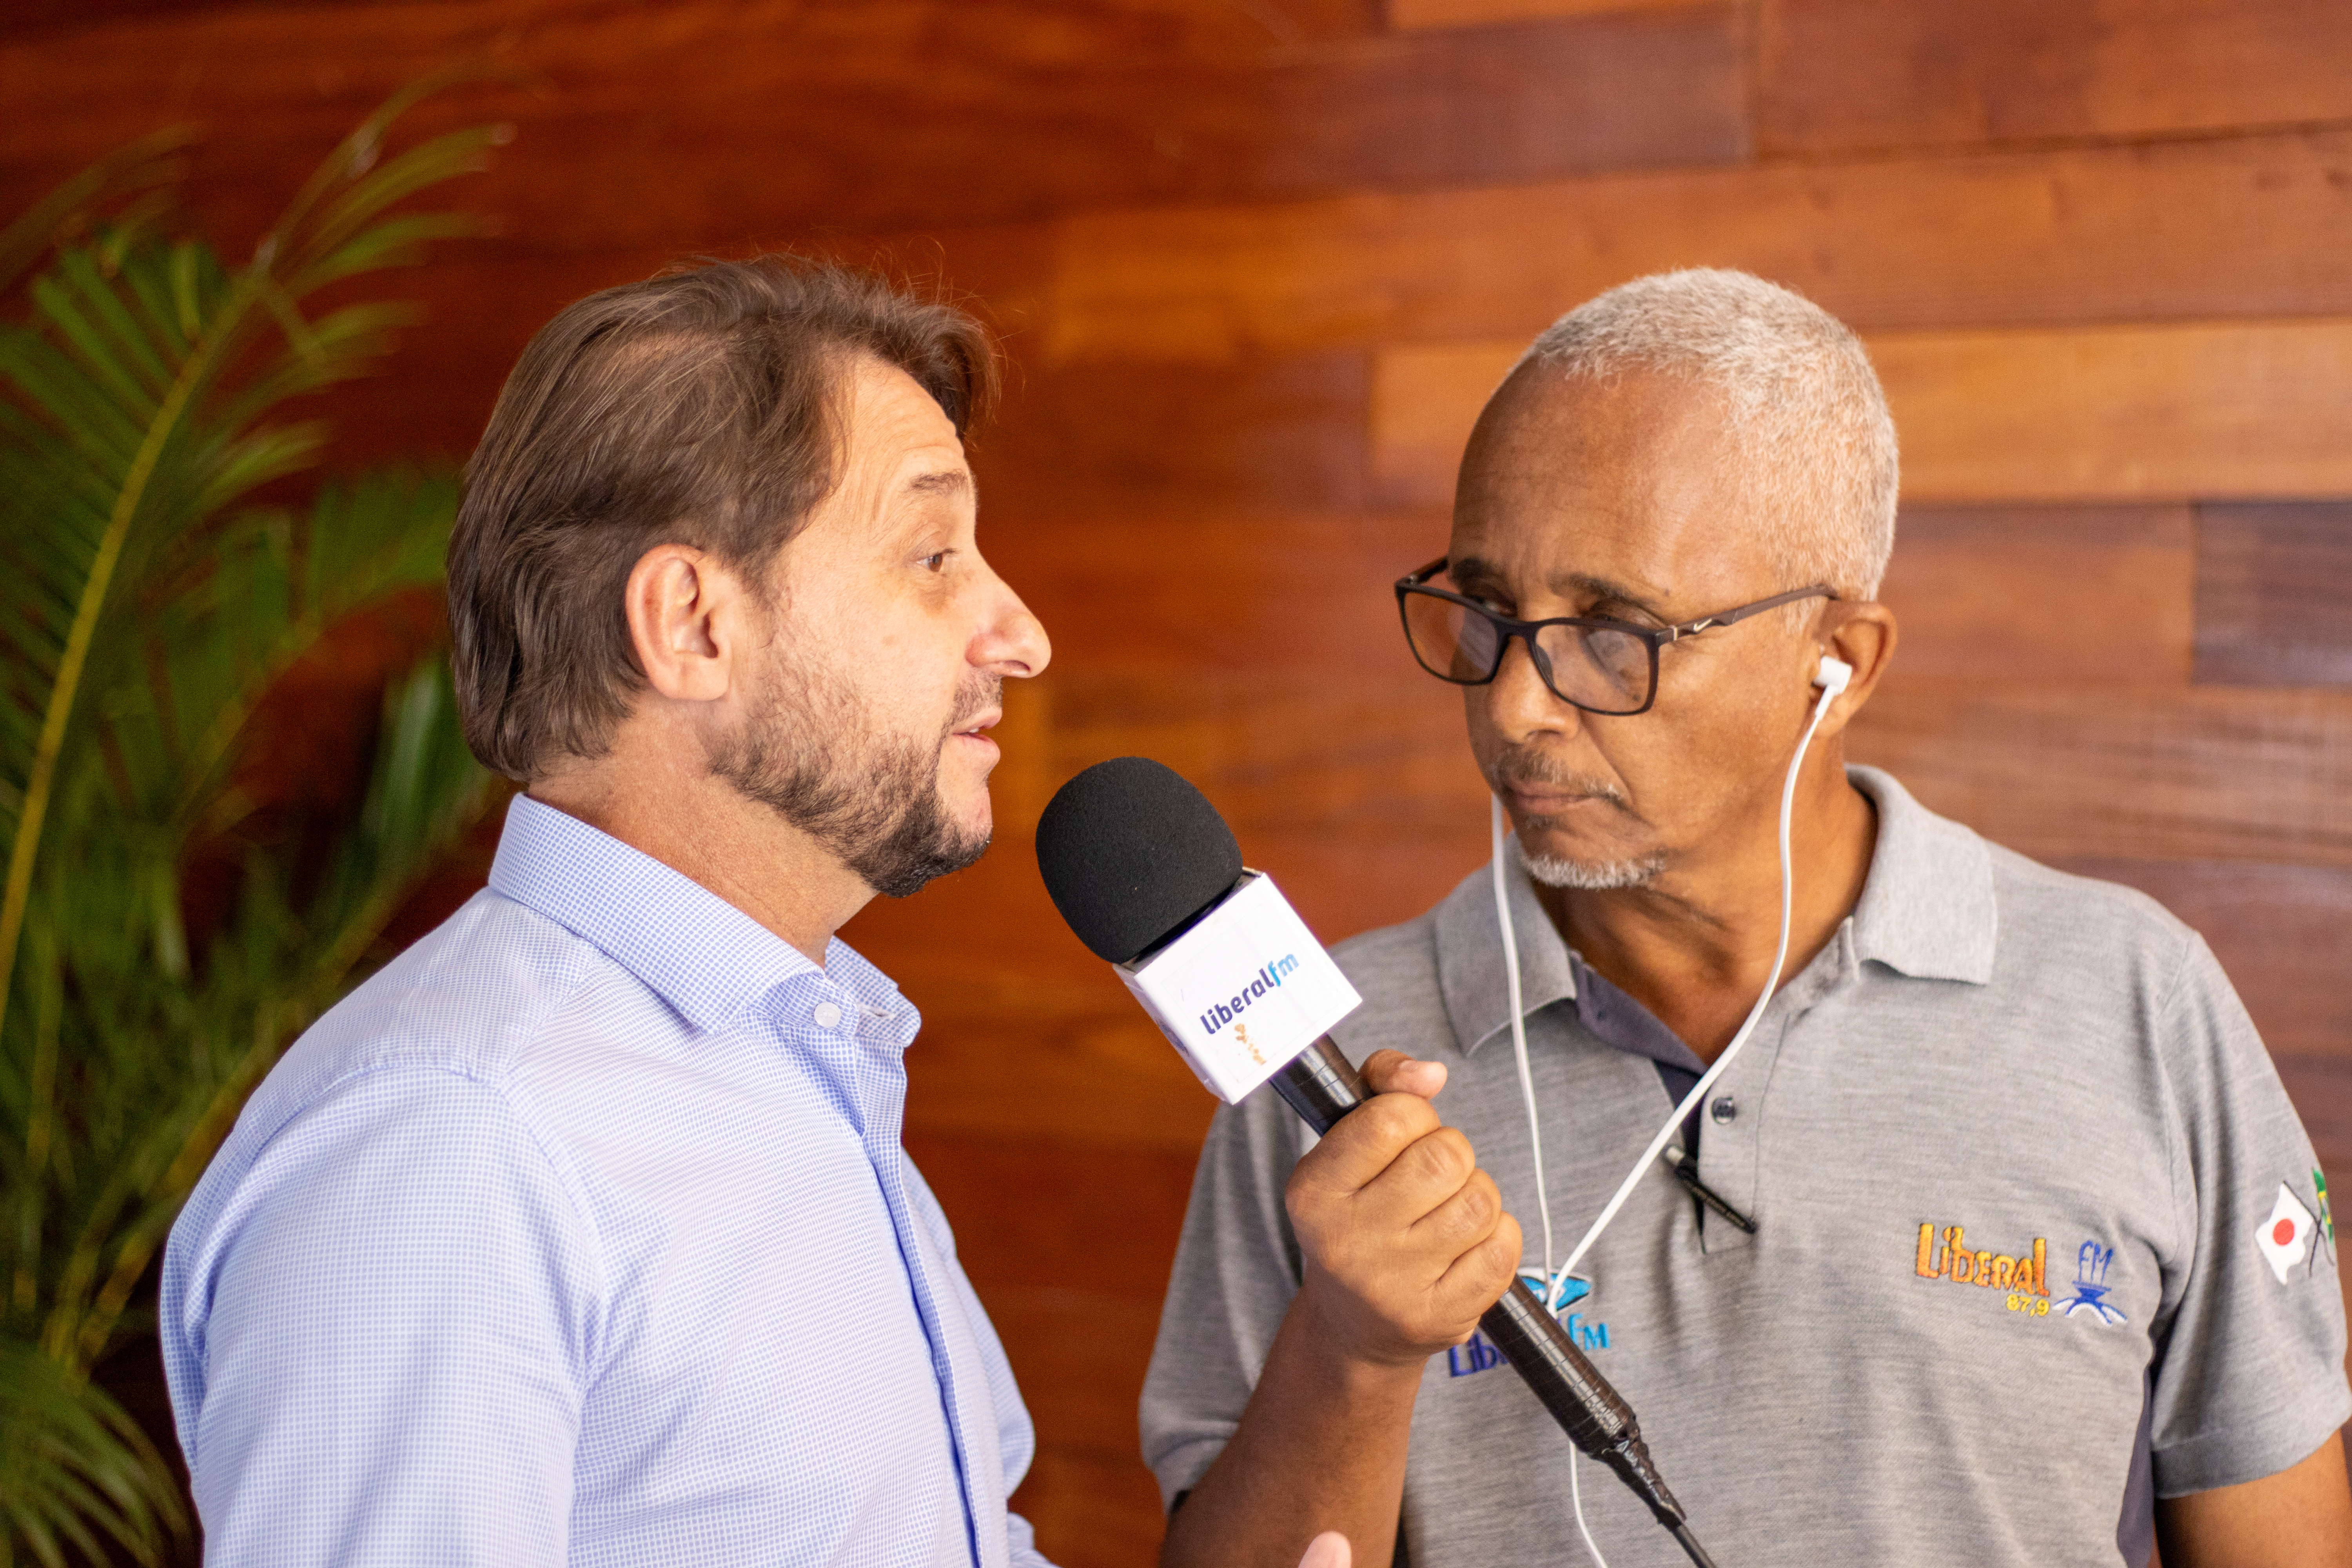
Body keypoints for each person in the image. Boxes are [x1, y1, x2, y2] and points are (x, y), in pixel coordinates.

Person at [1141, 269, 2352, 1568]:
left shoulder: (2137, 1000)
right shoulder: (1326, 1066)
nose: (1513, 710)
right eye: (1487, 614)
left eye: (1617, 634)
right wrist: (1352, 1348)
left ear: (1842, 665)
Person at [158, 258, 1058, 1564]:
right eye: (932, 556)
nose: (1020, 634)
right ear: (692, 624)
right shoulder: (453, 1146)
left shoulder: (813, 1067)